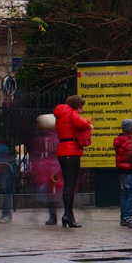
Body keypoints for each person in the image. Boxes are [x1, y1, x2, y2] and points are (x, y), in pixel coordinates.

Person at [54, 95, 92, 228]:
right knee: (71, 185)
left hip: (63, 150)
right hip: (71, 151)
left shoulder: (61, 114)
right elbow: (81, 123)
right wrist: (88, 123)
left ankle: (68, 215)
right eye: (80, 108)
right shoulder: (72, 113)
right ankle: (68, 215)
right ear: (76, 106)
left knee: (68, 184)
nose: (81, 111)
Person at [30, 114, 63, 225]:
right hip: (54, 168)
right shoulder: (56, 138)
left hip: (46, 169)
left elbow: (36, 155)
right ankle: (53, 215)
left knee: (48, 192)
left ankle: (51, 215)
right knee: (52, 192)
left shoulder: (40, 139)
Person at [113, 119, 132, 227]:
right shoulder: (129, 141)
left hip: (121, 169)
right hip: (130, 169)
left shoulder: (119, 139)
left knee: (125, 193)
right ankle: (127, 216)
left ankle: (123, 216)